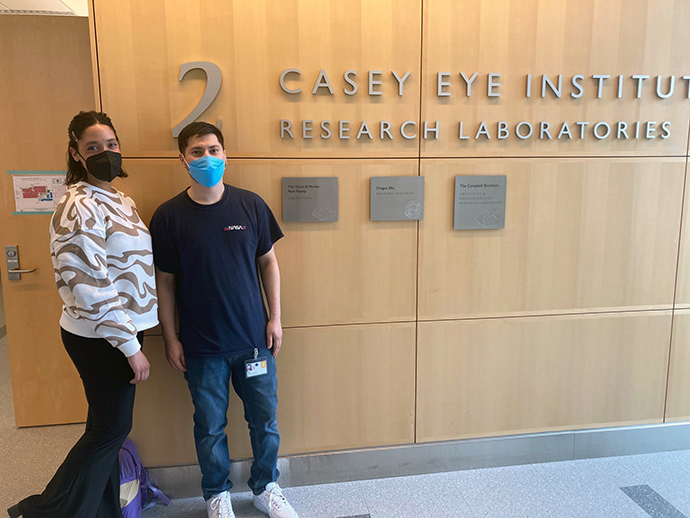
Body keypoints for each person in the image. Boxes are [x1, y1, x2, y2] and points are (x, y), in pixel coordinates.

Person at [8, 111, 158, 518]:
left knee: (104, 428)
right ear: (76, 153)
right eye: (93, 147)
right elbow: (89, 284)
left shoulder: (118, 199)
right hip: (102, 336)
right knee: (110, 430)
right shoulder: (77, 204)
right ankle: (47, 511)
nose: (105, 153)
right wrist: (129, 346)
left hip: (121, 329)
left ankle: (101, 507)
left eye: (111, 144)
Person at [149, 121, 298, 518]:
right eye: (197, 152)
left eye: (214, 149)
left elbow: (269, 263)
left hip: (254, 341)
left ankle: (266, 487)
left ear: (226, 154)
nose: (207, 158)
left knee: (264, 421)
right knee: (210, 427)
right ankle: (217, 494)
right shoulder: (168, 217)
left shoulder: (250, 205)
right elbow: (163, 282)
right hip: (201, 347)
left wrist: (275, 319)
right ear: (183, 159)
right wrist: (170, 337)